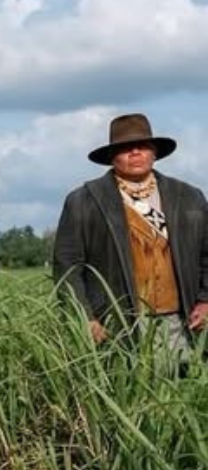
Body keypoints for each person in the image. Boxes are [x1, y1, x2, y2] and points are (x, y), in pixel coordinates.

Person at [53, 113, 208, 360]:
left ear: (154, 152)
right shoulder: (84, 201)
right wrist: (85, 317)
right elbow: (68, 268)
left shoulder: (189, 196)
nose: (135, 152)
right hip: (118, 325)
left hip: (183, 321)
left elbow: (206, 254)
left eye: (142, 146)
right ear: (112, 157)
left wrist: (205, 301)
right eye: (125, 148)